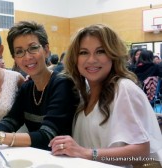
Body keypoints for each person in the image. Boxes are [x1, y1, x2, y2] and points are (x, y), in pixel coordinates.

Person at [49, 24, 162, 167]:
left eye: (100, 51)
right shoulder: (84, 93)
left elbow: (141, 152)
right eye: (83, 52)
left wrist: (87, 153)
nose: (91, 60)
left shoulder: (123, 89)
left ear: (113, 55)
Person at [0, 21, 80, 151]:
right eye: (19, 51)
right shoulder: (27, 87)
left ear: (46, 50)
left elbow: (47, 137)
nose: (27, 57)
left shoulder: (63, 84)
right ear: (14, 58)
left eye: (33, 48)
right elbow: (11, 120)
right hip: (37, 158)